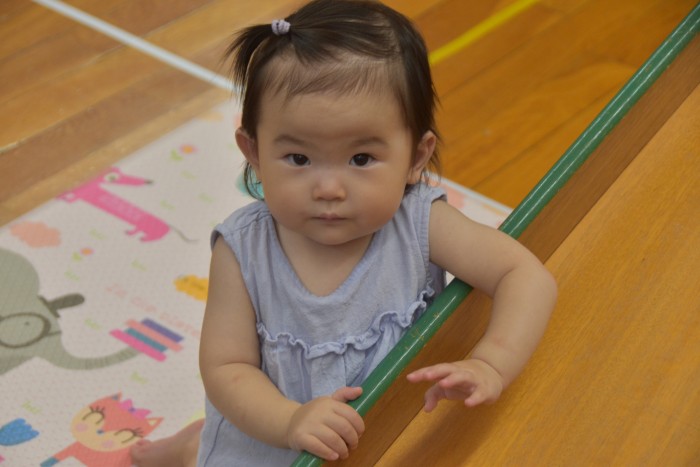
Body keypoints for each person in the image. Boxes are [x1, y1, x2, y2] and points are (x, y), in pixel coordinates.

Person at [131, 0, 557, 465]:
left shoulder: (419, 224)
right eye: (298, 158)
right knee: (220, 444)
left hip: (383, 435)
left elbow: (524, 275)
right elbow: (226, 367)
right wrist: (290, 421)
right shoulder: (243, 249)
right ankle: (194, 446)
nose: (329, 189)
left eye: (361, 159)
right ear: (253, 153)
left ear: (415, 157)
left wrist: (491, 363)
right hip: (271, 434)